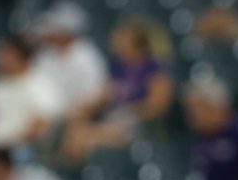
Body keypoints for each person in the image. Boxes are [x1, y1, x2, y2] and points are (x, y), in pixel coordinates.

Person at [62, 17, 173, 162]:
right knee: (75, 128)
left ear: (135, 43)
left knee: (85, 138)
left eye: (122, 38)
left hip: (137, 125)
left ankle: (78, 175)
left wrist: (130, 113)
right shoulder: (118, 68)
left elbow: (157, 106)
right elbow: (103, 96)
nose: (116, 42)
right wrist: (81, 110)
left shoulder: (154, 69)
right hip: (113, 120)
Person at [0, 36, 63, 154]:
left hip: (24, 151)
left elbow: (42, 124)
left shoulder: (41, 84)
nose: (0, 59)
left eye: (7, 54)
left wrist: (11, 146)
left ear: (23, 58)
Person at [31, 1, 108, 120]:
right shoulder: (44, 55)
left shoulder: (88, 56)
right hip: (46, 117)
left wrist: (73, 114)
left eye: (56, 28)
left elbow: (95, 96)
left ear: (67, 32)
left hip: (78, 116)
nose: (50, 32)